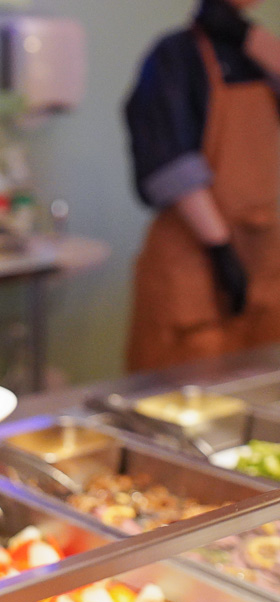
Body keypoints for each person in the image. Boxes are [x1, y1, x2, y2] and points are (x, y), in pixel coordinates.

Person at [124, 0, 280, 372]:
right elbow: (170, 160)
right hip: (192, 263)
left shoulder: (259, 57)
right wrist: (221, 248)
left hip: (265, 258)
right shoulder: (174, 57)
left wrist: (251, 38)